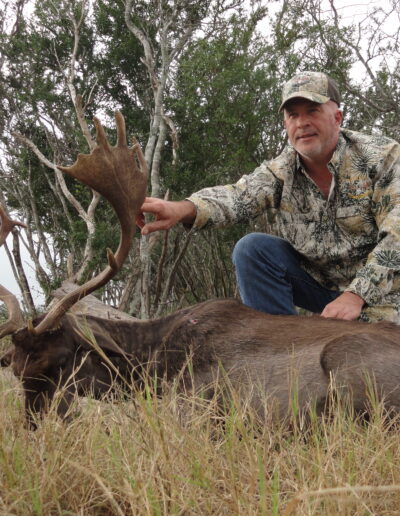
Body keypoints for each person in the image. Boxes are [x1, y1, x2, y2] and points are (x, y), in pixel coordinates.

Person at [136, 71, 400, 323]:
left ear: (337, 117)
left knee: (366, 347)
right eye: (293, 115)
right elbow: (239, 196)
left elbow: (397, 237)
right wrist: (183, 209)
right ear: (286, 124)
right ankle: (280, 349)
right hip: (324, 288)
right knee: (252, 250)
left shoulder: (382, 157)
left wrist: (356, 295)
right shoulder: (281, 170)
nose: (302, 123)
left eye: (313, 111)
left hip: (385, 293)